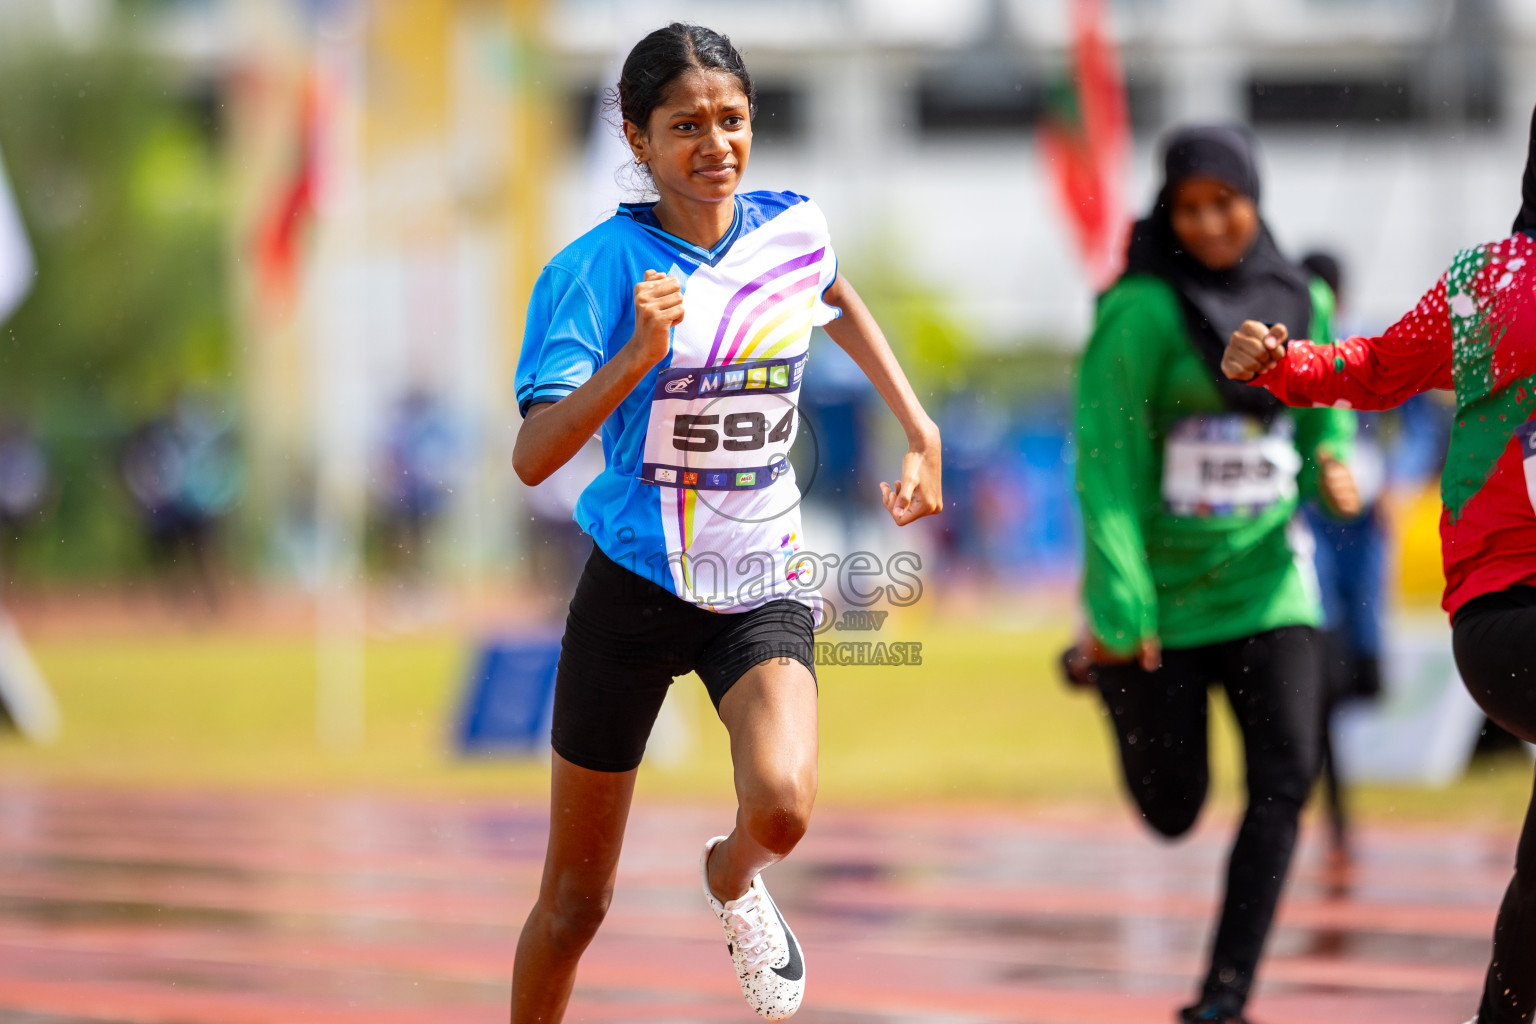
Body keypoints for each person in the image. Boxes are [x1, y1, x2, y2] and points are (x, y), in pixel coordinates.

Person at [508, 24, 942, 1023]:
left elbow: (836, 295)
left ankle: (730, 872)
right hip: (633, 584)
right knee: (576, 905)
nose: (715, 144)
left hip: (762, 579)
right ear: (639, 138)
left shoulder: (793, 230)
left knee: (783, 804)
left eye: (732, 120)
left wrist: (918, 426)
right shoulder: (596, 269)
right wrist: (633, 357)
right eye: (685, 125)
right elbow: (534, 454)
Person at [1222, 102, 1536, 1024]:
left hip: (1493, 635)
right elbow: (1368, 370)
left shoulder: (1490, 280)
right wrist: (1282, 366)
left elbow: (1365, 370)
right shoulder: (1496, 285)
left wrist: (1283, 365)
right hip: (1514, 615)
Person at [1069, 125, 1358, 1024]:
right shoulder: (1141, 312)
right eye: (1188, 208)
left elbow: (1320, 414)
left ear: (1255, 197)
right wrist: (1121, 602)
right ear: (1168, 210)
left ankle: (1224, 995)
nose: (1208, 224)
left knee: (1286, 777)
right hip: (1164, 594)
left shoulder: (1301, 297)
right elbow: (1106, 463)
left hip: (1272, 580)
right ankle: (1107, 674)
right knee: (1173, 811)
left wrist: (1335, 464)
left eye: (1224, 203)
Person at [1298, 250, 1388, 858]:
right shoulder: (1291, 368)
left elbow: (1399, 429)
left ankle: (1332, 803)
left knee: (1359, 677)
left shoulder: (1365, 358)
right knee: (1322, 681)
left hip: (1360, 542)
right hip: (1316, 543)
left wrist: (1383, 477)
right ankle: (1333, 811)